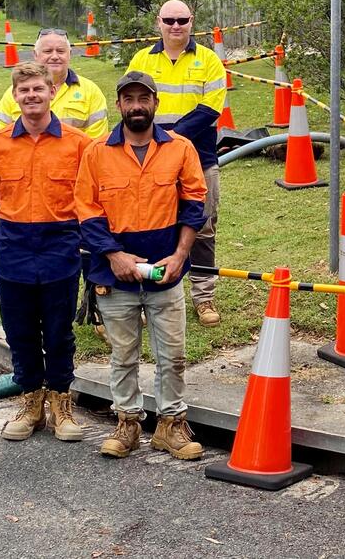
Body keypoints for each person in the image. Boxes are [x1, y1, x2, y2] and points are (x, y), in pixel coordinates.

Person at [75, 71, 208, 461]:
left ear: (155, 103)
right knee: (123, 355)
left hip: (166, 272)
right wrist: (113, 255)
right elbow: (87, 210)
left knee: (173, 354)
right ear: (119, 105)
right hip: (114, 275)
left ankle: (171, 425)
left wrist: (181, 255)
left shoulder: (181, 149)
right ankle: (127, 423)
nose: (136, 106)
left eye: (143, 98)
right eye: (129, 99)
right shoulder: (96, 153)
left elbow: (194, 205)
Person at [0, 62, 90, 443]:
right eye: (23, 90)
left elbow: (87, 196)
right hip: (13, 246)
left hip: (60, 245)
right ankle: (31, 402)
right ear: (15, 96)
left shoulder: (78, 144)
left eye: (38, 89)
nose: (31, 96)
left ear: (52, 92)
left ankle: (61, 403)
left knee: (58, 331)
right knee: (19, 329)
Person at [127, 0, 226, 327]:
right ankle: (151, 295)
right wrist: (159, 141)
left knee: (202, 226)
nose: (175, 26)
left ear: (191, 21)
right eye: (169, 20)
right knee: (152, 224)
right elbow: (133, 104)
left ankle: (204, 295)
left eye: (182, 20)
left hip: (200, 159)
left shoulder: (209, 60)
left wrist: (169, 138)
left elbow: (210, 108)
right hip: (148, 162)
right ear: (159, 22)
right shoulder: (142, 59)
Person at [0, 28, 109, 137]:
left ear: (70, 54)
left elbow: (94, 146)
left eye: (60, 51)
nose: (54, 56)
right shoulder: (13, 94)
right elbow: (5, 140)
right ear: (35, 54)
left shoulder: (91, 92)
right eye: (48, 51)